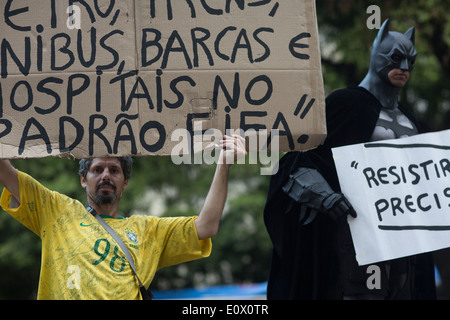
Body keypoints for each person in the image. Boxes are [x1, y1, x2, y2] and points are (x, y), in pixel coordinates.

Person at [263, 19, 436, 300]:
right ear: (376, 53)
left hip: (406, 239)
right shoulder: (346, 104)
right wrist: (325, 197)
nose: (404, 68)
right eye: (395, 58)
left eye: (410, 60)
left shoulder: (409, 118)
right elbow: (296, 161)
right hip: (357, 234)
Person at [0, 134, 246, 300]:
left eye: (114, 170)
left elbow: (206, 226)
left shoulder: (148, 231)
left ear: (125, 182)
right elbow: (4, 169)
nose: (106, 175)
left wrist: (223, 163)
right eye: (97, 169)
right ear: (83, 179)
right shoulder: (55, 210)